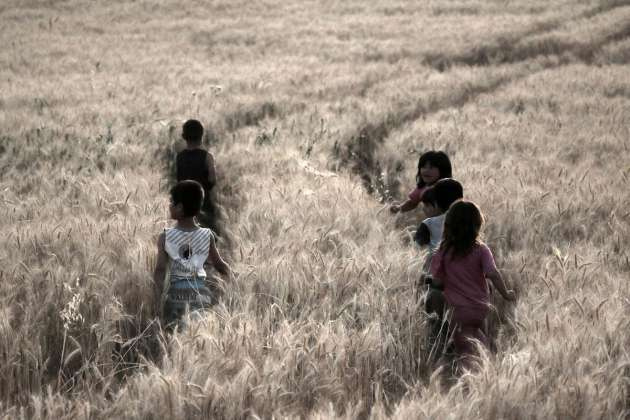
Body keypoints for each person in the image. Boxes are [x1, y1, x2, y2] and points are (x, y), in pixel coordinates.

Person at [430, 200, 516, 368]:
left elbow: (438, 282)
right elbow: (492, 274)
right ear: (477, 226)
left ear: (448, 226)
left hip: (458, 311)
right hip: (480, 308)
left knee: (463, 348)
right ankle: (491, 364)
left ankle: (468, 377)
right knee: (477, 336)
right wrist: (505, 293)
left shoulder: (444, 251)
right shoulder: (482, 250)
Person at [153, 180, 231, 329]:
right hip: (200, 294)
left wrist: (158, 296)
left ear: (180, 208)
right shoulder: (206, 235)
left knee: (176, 333)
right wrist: (232, 278)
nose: (169, 205)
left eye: (172, 202)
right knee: (197, 332)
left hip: (175, 297)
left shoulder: (166, 237)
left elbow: (160, 269)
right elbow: (219, 264)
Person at [175, 119, 219, 231]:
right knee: (209, 235)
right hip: (204, 204)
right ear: (201, 136)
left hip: (185, 205)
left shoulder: (179, 157)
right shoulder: (208, 157)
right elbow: (212, 179)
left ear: (184, 136)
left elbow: (179, 180)